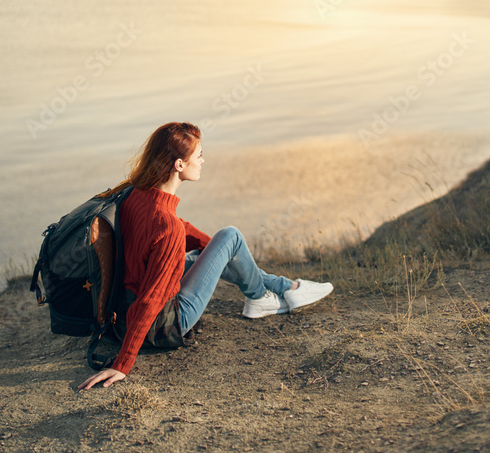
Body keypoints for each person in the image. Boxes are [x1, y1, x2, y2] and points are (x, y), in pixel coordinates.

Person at [78, 122, 333, 390]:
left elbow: (178, 229)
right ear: (178, 165)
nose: (202, 161)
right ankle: (260, 298)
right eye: (198, 156)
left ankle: (285, 287)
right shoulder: (167, 225)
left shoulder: (136, 194)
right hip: (165, 325)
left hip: (122, 314)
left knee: (225, 245)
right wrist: (123, 362)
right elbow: (151, 300)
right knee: (232, 235)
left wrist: (219, 252)